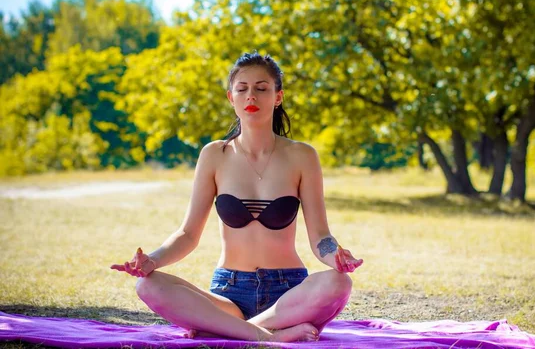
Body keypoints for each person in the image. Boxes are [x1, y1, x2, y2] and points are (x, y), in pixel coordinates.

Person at [110, 52, 364, 343]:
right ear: (231, 97)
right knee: (147, 286)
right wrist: (151, 261)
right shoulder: (214, 155)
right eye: (242, 89)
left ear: (278, 96)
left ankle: (229, 332)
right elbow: (188, 234)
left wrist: (336, 257)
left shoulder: (302, 156)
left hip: (290, 293)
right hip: (228, 294)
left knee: (338, 283)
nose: (250, 96)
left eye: (261, 88)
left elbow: (320, 236)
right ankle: (271, 336)